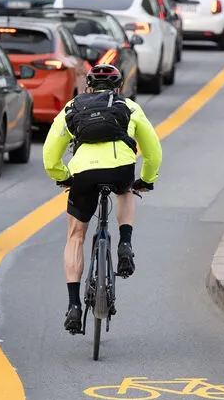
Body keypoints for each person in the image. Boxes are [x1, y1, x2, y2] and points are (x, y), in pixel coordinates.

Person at [42, 64, 162, 335]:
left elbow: (50, 155)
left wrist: (63, 176)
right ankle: (125, 245)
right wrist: (147, 179)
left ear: (88, 87)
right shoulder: (129, 106)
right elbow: (153, 151)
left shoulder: (72, 107)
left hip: (83, 173)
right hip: (120, 168)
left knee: (75, 235)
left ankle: (73, 307)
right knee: (125, 190)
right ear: (118, 87)